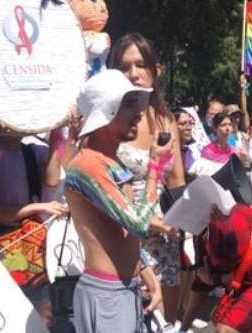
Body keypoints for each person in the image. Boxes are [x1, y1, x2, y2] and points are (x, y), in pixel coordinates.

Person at [65, 69, 170, 333]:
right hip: (108, 295)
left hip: (124, 290)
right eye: (128, 104)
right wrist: (155, 168)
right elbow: (137, 223)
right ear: (106, 111)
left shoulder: (111, 161)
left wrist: (144, 268)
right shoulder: (88, 164)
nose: (138, 113)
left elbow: (123, 230)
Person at [109, 32, 185, 324]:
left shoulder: (166, 120)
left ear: (155, 70)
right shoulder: (108, 120)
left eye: (141, 65)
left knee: (167, 320)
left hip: (166, 235)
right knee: (135, 318)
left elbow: (177, 182)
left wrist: (185, 225)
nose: (133, 74)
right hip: (125, 235)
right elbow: (102, 188)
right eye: (125, 66)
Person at [173, 107, 201, 173]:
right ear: (172, 126)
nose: (189, 128)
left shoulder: (194, 154)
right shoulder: (165, 154)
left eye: (190, 123)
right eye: (183, 124)